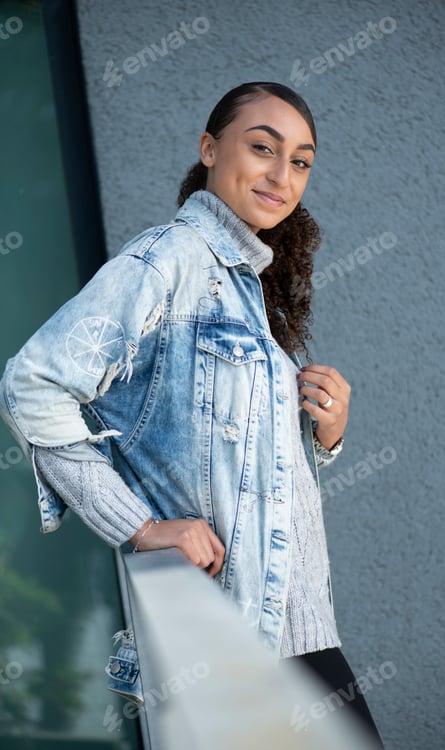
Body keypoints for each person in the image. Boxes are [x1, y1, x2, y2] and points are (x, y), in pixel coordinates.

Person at [0, 81, 384, 747]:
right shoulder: (170, 259)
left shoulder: (243, 284)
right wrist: (141, 527)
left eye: (300, 161)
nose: (280, 173)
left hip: (295, 630)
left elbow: (229, 460)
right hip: (224, 638)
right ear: (209, 149)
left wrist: (326, 433)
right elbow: (31, 387)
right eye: (262, 148)